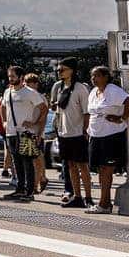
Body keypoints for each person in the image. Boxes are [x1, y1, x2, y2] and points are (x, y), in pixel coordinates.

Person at [86, 65, 129, 214]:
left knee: (107, 169)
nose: (94, 79)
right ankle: (104, 202)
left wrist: (121, 117)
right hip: (96, 135)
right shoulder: (93, 92)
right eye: (92, 76)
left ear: (106, 77)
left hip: (110, 136)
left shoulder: (113, 90)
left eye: (97, 76)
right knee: (100, 169)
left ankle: (104, 204)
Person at [51, 57, 92, 208]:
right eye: (58, 70)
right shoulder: (60, 87)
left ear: (72, 71)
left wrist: (85, 131)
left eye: (62, 69)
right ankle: (77, 196)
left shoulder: (80, 88)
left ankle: (88, 197)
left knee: (82, 166)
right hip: (63, 133)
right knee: (70, 166)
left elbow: (87, 112)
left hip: (77, 133)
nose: (59, 72)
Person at [0, 65, 46, 201]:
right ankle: (19, 189)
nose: (10, 79)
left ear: (21, 77)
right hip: (11, 132)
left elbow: (43, 108)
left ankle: (29, 191)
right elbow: (3, 106)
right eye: (9, 76)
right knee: (16, 162)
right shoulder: (7, 92)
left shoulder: (29, 92)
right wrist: (4, 122)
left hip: (26, 132)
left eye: (13, 76)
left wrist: (34, 123)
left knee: (27, 162)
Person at [23, 74, 49, 193]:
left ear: (36, 84)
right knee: (32, 160)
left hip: (37, 132)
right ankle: (41, 179)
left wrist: (39, 133)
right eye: (26, 82)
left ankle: (35, 185)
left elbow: (44, 117)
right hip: (27, 133)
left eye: (30, 83)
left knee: (36, 160)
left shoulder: (41, 98)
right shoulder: (26, 96)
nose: (27, 85)